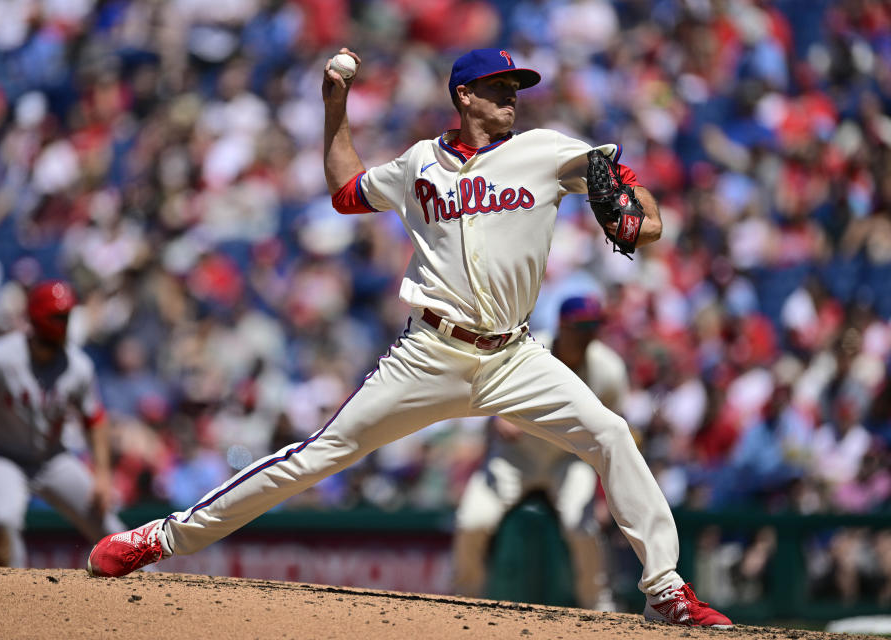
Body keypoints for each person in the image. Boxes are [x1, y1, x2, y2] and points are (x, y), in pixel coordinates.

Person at [87, 47, 732, 629]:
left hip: (512, 354)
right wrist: (334, 106)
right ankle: (163, 539)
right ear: (464, 96)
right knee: (320, 454)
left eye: (516, 86)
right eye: (499, 86)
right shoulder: (419, 163)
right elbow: (345, 189)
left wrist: (643, 216)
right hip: (429, 351)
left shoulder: (546, 150)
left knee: (610, 433)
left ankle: (665, 588)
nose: (512, 96)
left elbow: (628, 193)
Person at [0, 280, 124, 566]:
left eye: (67, 316)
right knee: (5, 519)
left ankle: (161, 593)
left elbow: (94, 420)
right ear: (37, 317)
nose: (64, 323)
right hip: (2, 457)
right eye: (58, 316)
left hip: (53, 459)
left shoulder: (78, 366)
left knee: (111, 526)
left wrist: (103, 475)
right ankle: (14, 598)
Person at [453, 295, 624, 611]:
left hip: (568, 460)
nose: (588, 334)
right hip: (515, 458)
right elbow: (483, 393)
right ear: (562, 326)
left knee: (582, 526)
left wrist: (605, 497)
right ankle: (466, 600)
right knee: (472, 521)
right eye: (581, 327)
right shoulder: (527, 351)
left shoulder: (608, 370)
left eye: (593, 327)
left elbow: (614, 441)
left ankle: (597, 603)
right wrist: (496, 418)